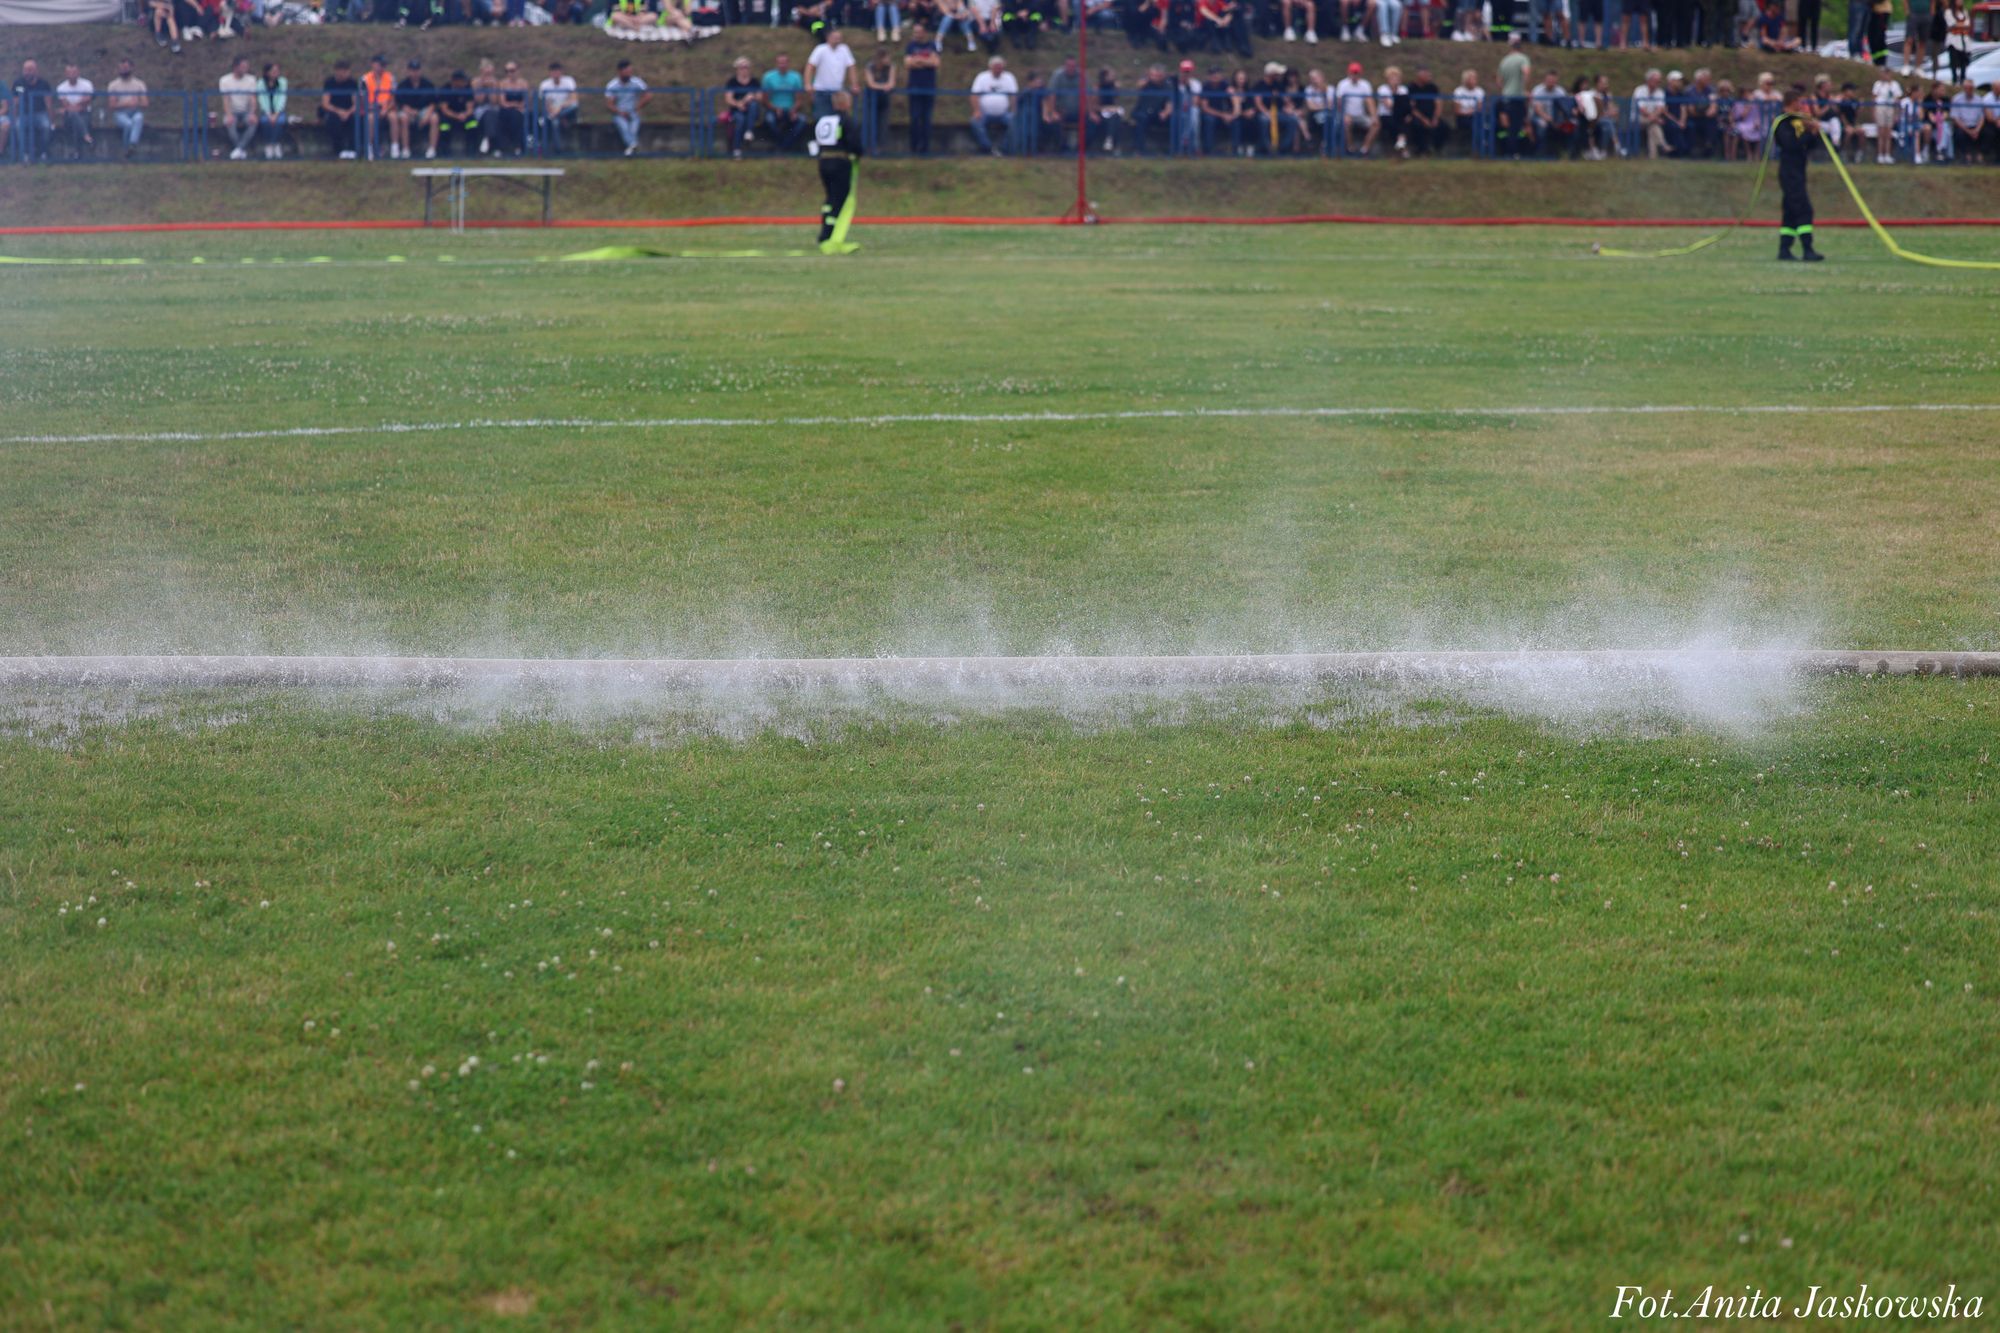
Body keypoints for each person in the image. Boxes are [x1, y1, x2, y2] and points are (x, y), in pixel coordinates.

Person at [1773, 85, 1823, 261]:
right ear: (1792, 103)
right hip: (1789, 172)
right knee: (1804, 210)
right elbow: (1791, 145)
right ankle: (1807, 249)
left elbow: (1807, 146)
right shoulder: (1782, 122)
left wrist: (1814, 133)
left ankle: (1784, 250)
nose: (1802, 106)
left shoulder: (1798, 121)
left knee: (1790, 211)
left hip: (1799, 170)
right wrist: (1807, 132)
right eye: (1799, 103)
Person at [810, 88, 863, 252]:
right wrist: (858, 154)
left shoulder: (824, 120)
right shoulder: (846, 120)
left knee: (829, 199)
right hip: (840, 163)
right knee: (839, 200)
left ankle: (824, 235)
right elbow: (854, 142)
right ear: (845, 103)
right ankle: (831, 238)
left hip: (823, 162)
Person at [969, 55, 1017, 154]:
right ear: (990, 67)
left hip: (1004, 113)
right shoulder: (982, 77)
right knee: (975, 122)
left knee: (1016, 122)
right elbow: (974, 95)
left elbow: (1013, 96)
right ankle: (988, 148)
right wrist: (977, 111)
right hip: (984, 113)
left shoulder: (1009, 77)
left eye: (1000, 68)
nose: (998, 70)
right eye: (996, 67)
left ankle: (1003, 148)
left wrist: (1013, 111)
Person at [905, 24, 940, 153]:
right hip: (914, 88)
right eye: (915, 32)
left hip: (929, 87)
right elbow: (908, 64)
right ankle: (913, 148)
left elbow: (935, 63)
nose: (916, 34)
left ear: (924, 32)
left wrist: (918, 60)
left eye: (919, 32)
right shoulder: (910, 46)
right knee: (914, 118)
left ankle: (925, 148)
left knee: (926, 119)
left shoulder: (932, 46)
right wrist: (926, 61)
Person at [806, 29, 859, 116]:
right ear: (828, 38)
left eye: (839, 38)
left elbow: (851, 67)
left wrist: (854, 84)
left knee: (839, 120)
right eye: (835, 37)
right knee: (822, 119)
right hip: (821, 91)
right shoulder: (820, 49)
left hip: (838, 92)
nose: (837, 40)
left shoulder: (844, 49)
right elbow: (810, 66)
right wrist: (808, 84)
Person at [760, 52, 807, 149]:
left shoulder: (796, 77)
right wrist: (775, 108)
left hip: (791, 109)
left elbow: (799, 99)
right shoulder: (768, 77)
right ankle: (782, 144)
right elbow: (765, 100)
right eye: (780, 63)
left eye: (784, 62)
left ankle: (785, 145)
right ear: (776, 64)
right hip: (773, 110)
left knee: (802, 120)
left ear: (788, 63)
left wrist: (793, 110)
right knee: (770, 120)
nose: (782, 65)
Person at [394, 58, 437, 161]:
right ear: (408, 71)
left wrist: (426, 115)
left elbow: (433, 103)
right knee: (403, 118)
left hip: (424, 111)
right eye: (412, 70)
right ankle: (405, 149)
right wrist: (411, 112)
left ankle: (432, 149)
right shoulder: (402, 85)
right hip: (408, 112)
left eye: (417, 70)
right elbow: (401, 104)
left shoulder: (428, 84)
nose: (415, 73)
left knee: (435, 118)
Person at [604, 60, 650, 157]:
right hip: (619, 113)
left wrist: (637, 107)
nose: (630, 74)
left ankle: (631, 148)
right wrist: (620, 112)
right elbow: (609, 104)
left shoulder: (637, 82)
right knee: (624, 126)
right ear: (620, 71)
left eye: (630, 71)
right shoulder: (612, 85)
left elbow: (648, 95)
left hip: (633, 111)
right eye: (627, 71)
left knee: (633, 128)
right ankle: (634, 146)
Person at [1495, 33, 1530, 159]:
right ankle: (1513, 153)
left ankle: (1508, 152)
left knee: (1508, 126)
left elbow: (1498, 81)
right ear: (1520, 49)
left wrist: (1504, 89)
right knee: (1515, 127)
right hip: (1517, 98)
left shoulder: (1504, 60)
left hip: (1505, 97)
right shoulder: (1523, 58)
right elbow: (1526, 72)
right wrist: (1523, 88)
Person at [217, 57, 258, 161]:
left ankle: (238, 149)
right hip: (232, 111)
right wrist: (229, 114)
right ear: (236, 67)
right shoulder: (224, 80)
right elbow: (225, 99)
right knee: (230, 123)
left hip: (246, 111)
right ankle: (241, 150)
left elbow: (252, 98)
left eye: (246, 67)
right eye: (243, 67)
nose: (246, 69)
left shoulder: (251, 79)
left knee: (253, 123)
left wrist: (252, 113)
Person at [719, 56, 761, 157]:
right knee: (740, 120)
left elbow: (760, 97)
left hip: (751, 110)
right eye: (741, 67)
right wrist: (739, 104)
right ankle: (736, 149)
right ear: (737, 69)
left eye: (746, 67)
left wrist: (751, 97)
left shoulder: (754, 81)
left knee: (754, 105)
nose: (744, 69)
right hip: (737, 111)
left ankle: (749, 131)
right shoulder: (732, 82)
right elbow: (728, 99)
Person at [105, 60, 147, 160]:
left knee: (139, 118)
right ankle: (127, 148)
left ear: (131, 68)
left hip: (135, 111)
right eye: (121, 68)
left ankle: (132, 145)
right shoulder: (113, 85)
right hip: (120, 114)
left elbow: (145, 103)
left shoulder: (139, 84)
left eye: (125, 68)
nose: (123, 70)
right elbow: (112, 105)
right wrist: (126, 104)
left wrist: (136, 103)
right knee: (128, 124)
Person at [320, 59, 362, 160]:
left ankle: (353, 149)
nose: (343, 74)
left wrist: (348, 112)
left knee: (356, 120)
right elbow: (325, 103)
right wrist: (339, 112)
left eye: (345, 71)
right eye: (341, 71)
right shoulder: (329, 82)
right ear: (336, 71)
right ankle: (339, 150)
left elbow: (356, 103)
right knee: (333, 121)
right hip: (334, 111)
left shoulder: (352, 83)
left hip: (349, 111)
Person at [432, 70, 478, 158]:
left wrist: (464, 114)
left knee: (472, 123)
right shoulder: (445, 89)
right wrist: (456, 116)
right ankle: (444, 151)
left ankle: (472, 151)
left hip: (464, 115)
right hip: (450, 115)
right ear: (455, 81)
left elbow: (470, 107)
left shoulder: (468, 88)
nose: (464, 82)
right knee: (444, 125)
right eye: (462, 80)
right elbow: (444, 109)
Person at [535, 60, 577, 155]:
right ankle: (559, 150)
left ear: (561, 72)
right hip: (553, 112)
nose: (555, 74)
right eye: (553, 71)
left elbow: (573, 100)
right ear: (550, 73)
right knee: (555, 122)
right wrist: (554, 111)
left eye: (557, 71)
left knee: (574, 106)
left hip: (567, 110)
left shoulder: (569, 81)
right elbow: (547, 104)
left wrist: (560, 108)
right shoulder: (545, 85)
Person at [55, 62, 94, 162]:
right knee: (73, 116)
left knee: (75, 120)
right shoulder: (61, 87)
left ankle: (76, 152)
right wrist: (77, 105)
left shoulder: (87, 84)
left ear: (78, 72)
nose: (72, 75)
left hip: (85, 114)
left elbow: (87, 102)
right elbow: (65, 104)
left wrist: (73, 107)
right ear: (66, 73)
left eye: (74, 72)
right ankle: (87, 136)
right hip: (68, 116)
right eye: (70, 72)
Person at [1334, 60, 1374, 155]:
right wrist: (1344, 115)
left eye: (1356, 73)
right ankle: (1350, 148)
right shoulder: (1342, 84)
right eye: (1353, 73)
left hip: (1360, 116)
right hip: (1346, 115)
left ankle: (1364, 149)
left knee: (1376, 124)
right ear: (1348, 72)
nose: (1354, 75)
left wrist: (1374, 116)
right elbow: (1339, 103)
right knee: (1346, 122)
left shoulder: (1365, 85)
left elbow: (1370, 102)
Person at [361, 54, 396, 160]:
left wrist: (386, 109)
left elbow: (394, 99)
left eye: (384, 65)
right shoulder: (365, 79)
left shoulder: (390, 78)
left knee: (393, 117)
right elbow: (362, 100)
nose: (382, 68)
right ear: (373, 65)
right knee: (371, 118)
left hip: (387, 108)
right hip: (371, 108)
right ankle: (369, 147)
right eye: (380, 65)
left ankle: (395, 147)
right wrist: (372, 108)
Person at [861, 47, 895, 151]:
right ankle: (869, 147)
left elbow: (891, 83)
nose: (889, 60)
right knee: (870, 123)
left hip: (884, 100)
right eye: (887, 57)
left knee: (883, 124)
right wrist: (884, 86)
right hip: (871, 100)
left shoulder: (891, 67)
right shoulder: (869, 67)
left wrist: (884, 86)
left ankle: (881, 148)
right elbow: (871, 84)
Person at [494, 61, 530, 155]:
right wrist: (514, 105)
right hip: (506, 111)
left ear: (517, 71)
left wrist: (517, 105)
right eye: (507, 71)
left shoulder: (523, 83)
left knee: (516, 117)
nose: (510, 73)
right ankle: (501, 148)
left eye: (512, 70)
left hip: (519, 111)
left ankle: (518, 147)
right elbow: (502, 102)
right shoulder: (502, 83)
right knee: (505, 117)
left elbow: (525, 101)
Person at [256, 62, 288, 160]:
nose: (276, 73)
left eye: (277, 71)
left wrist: (276, 114)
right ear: (267, 72)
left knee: (280, 121)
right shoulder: (260, 83)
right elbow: (262, 99)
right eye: (273, 71)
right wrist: (269, 114)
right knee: (265, 122)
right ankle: (268, 145)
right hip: (266, 111)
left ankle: (275, 144)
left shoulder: (283, 82)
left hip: (279, 111)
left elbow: (282, 99)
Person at [1450, 67, 1482, 155]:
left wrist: (1471, 111)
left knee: (1476, 123)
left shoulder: (1479, 91)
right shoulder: (1458, 91)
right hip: (1462, 117)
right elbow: (1457, 110)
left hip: (1475, 117)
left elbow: (1479, 108)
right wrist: (1468, 112)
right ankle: (1464, 151)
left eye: (1475, 78)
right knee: (1467, 124)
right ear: (1466, 80)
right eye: (1472, 78)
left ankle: (1476, 150)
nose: (1475, 81)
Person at [1942, 0, 1972, 84]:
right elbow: (1952, 24)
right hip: (1953, 39)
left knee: (1963, 60)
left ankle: (1963, 78)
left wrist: (1960, 25)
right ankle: (1954, 78)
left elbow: (1968, 24)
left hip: (1964, 39)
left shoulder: (1964, 12)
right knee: (1954, 60)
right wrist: (1961, 25)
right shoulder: (1949, 12)